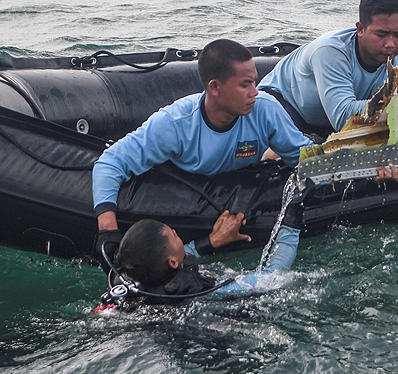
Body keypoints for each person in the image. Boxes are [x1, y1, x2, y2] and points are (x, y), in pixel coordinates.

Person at [92, 38, 314, 262]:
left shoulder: (265, 109)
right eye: (245, 85)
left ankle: (269, 155)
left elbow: (306, 157)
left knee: (274, 156)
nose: (254, 92)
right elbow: (110, 162)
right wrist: (108, 230)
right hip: (183, 195)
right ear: (215, 87)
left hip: (245, 182)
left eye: (255, 83)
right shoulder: (175, 124)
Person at [258, 0, 398, 139]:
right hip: (283, 104)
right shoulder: (331, 52)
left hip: (325, 123)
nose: (391, 44)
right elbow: (342, 118)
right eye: (381, 35)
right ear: (360, 29)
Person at [105, 212, 299, 305]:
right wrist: (292, 223)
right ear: (172, 263)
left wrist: (211, 241)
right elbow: (272, 276)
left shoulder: (132, 275)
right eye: (174, 235)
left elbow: (183, 252)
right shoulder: (198, 292)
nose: (175, 231)